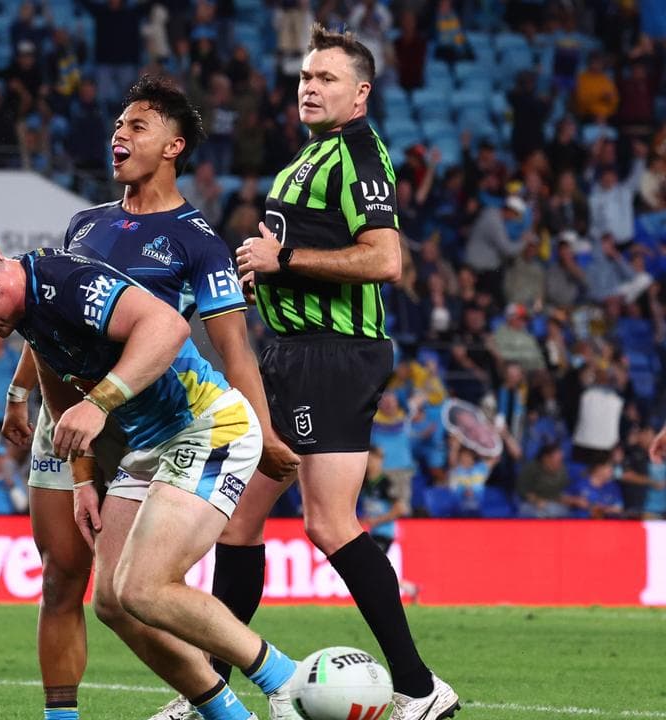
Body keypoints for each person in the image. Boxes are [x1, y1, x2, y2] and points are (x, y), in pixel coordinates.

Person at [0, 76, 298, 720]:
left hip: (161, 421)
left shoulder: (197, 242)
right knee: (90, 590)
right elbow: (49, 326)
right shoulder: (86, 225)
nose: (119, 136)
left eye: (137, 126)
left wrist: (266, 435)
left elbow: (235, 349)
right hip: (83, 420)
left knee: (143, 588)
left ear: (173, 146)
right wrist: (23, 391)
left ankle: (276, 683)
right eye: (117, 126)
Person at [0, 232, 300, 720]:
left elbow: (166, 327)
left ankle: (284, 680)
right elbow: (59, 391)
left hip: (208, 426)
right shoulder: (28, 313)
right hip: (150, 446)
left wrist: (100, 403)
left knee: (145, 588)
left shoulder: (67, 282)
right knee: (113, 604)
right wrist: (82, 480)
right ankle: (230, 715)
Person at [232, 25, 459, 718]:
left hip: (331, 355)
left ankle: (419, 687)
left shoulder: (358, 154)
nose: (310, 86)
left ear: (360, 95)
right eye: (306, 76)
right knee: (238, 526)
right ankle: (206, 693)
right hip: (293, 351)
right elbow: (307, 250)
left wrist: (285, 263)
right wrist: (263, 278)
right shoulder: (311, 157)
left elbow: (386, 260)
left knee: (329, 523)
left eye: (327, 79)